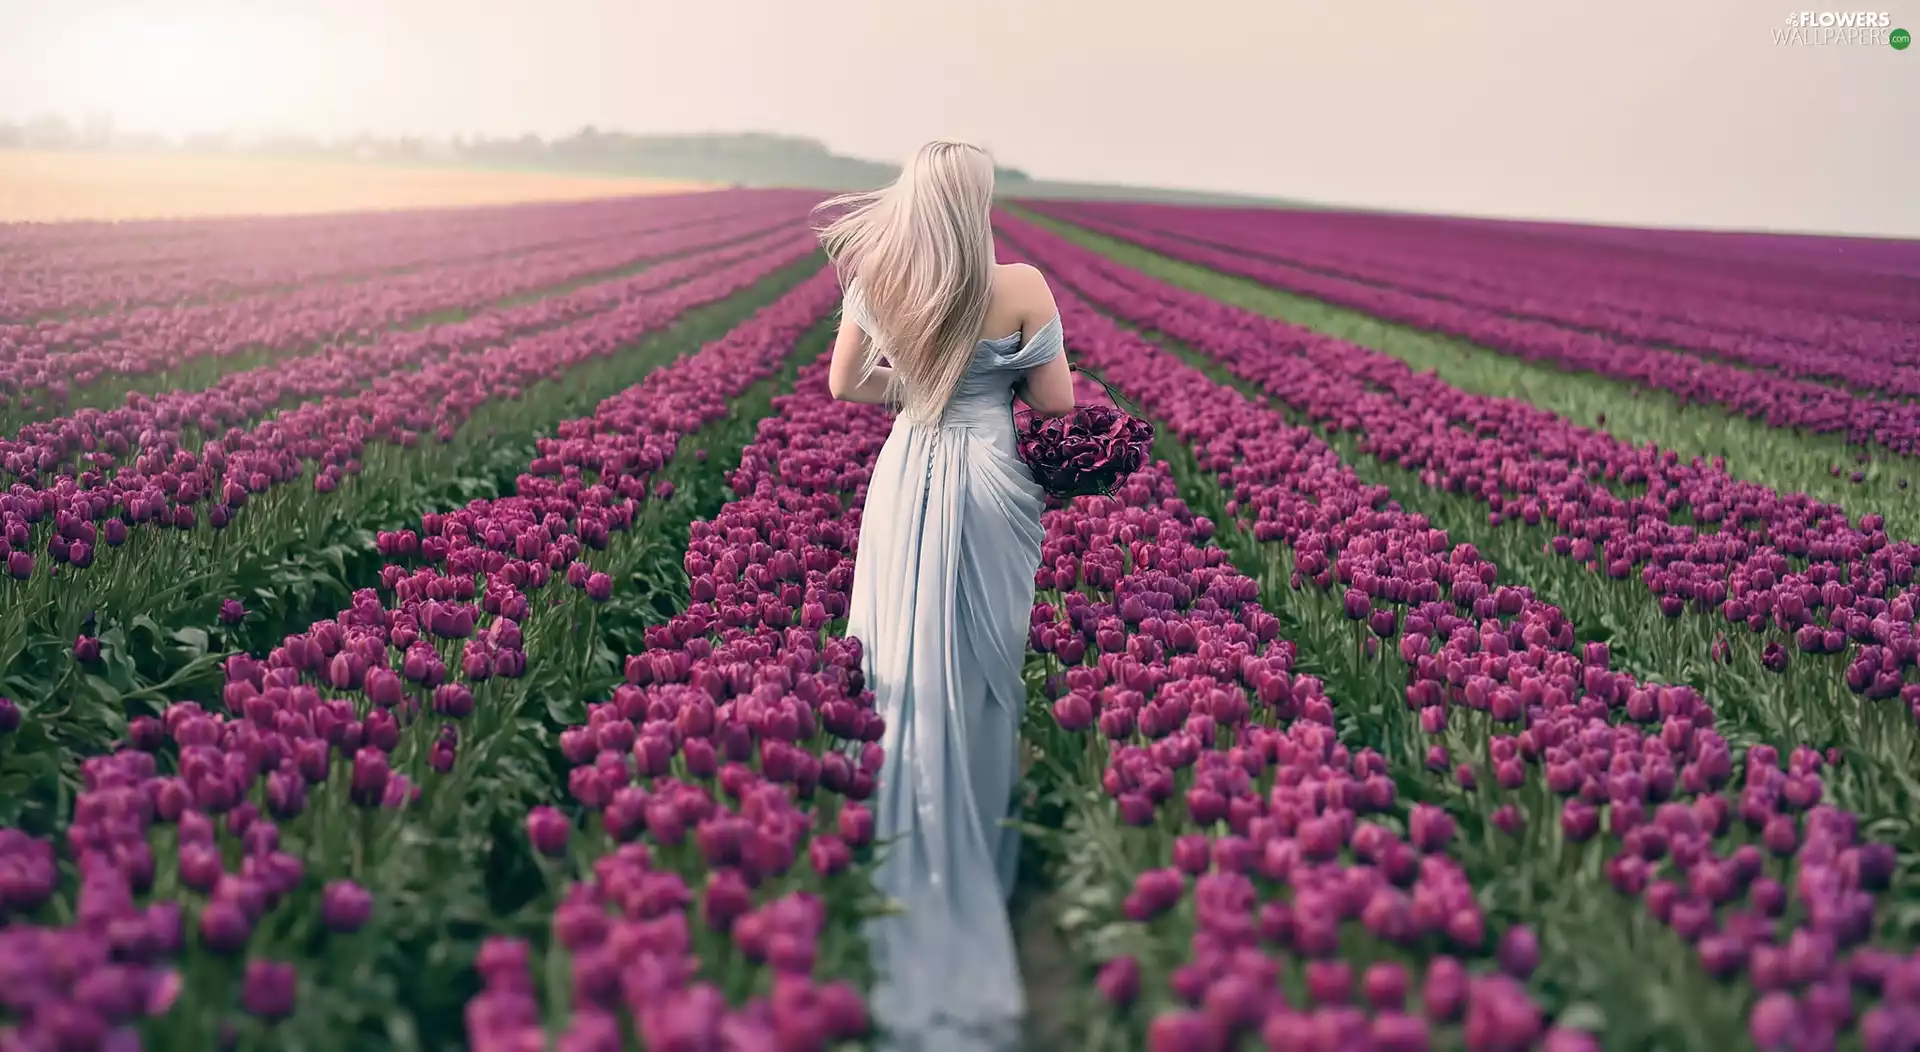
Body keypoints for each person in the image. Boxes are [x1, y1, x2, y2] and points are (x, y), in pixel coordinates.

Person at [815, 140, 1075, 1050]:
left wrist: (919, 384)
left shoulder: (879, 274)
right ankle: (983, 854)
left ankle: (901, 839)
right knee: (985, 669)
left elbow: (845, 383)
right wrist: (984, 383)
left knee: (900, 657)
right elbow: (1056, 406)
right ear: (979, 201)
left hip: (909, 470)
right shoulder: (1023, 285)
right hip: (992, 480)